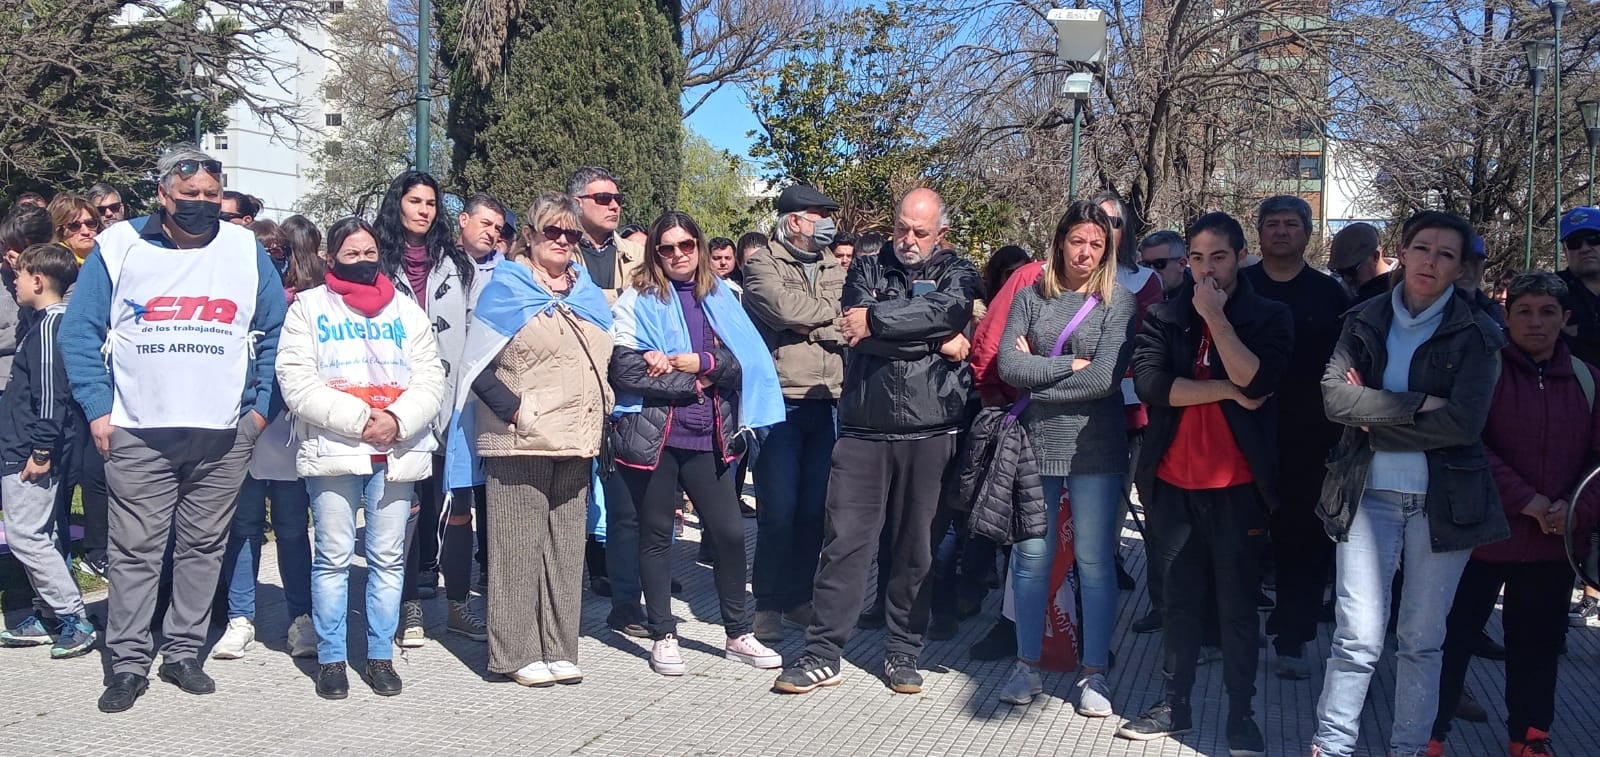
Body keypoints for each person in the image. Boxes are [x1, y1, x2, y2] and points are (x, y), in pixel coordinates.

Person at [61, 145, 287, 713]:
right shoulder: (119, 245)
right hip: (138, 429)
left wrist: (259, 410)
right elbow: (80, 333)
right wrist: (97, 409)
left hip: (222, 433)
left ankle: (184, 652)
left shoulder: (242, 248)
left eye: (212, 197)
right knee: (135, 551)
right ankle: (129, 662)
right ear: (163, 194)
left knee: (203, 547)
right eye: (190, 198)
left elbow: (277, 333)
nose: (202, 206)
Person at [1310, 210, 1508, 757]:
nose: (1431, 261)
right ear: (1404, 251)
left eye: (1446, 254)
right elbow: (1334, 399)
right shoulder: (1363, 318)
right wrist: (1420, 405)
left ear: (1460, 267)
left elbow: (1465, 424)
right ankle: (1330, 746)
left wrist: (1374, 417)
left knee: (1422, 641)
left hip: (1443, 503)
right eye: (1423, 248)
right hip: (1366, 494)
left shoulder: (1478, 333)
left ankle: (1409, 748)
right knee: (1357, 639)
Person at [774, 188, 979, 696]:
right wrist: (934, 338)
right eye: (902, 228)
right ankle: (822, 652)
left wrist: (886, 324)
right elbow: (853, 325)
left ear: (941, 234)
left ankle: (903, 651)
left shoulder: (960, 271)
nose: (908, 240)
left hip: (931, 430)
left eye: (920, 231)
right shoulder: (865, 268)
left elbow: (948, 313)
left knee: (917, 550)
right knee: (844, 543)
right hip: (865, 428)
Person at [1116, 212, 1291, 755]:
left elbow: (1257, 381)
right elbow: (1152, 386)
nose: (1207, 268)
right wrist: (1221, 389)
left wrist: (1216, 319)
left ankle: (1242, 713)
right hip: (1173, 483)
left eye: (1219, 256)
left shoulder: (1268, 314)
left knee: (1237, 608)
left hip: (1239, 487)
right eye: (1196, 257)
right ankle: (1177, 704)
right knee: (1178, 604)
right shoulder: (1165, 316)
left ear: (1241, 256)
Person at [1430, 271, 1600, 757]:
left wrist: (1573, 509)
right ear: (1506, 316)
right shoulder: (1484, 372)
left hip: (1553, 541)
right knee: (1453, 640)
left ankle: (1530, 734)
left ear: (1566, 320)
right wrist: (1527, 501)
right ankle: (1431, 732)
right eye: (1523, 311)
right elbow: (1468, 444)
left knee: (1538, 645)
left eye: (1548, 312)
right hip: (1481, 535)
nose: (1535, 321)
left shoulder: (1588, 382)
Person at [608, 210, 785, 676]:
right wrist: (693, 384)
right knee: (656, 536)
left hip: (710, 436)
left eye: (686, 245)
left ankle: (737, 633)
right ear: (655, 254)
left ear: (700, 248)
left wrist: (698, 361)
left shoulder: (726, 296)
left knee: (728, 533)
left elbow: (742, 362)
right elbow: (624, 370)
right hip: (654, 436)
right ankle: (663, 633)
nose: (677, 255)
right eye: (667, 248)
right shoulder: (635, 300)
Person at [276, 215, 445, 700]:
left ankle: (379, 656)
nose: (363, 262)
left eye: (370, 254)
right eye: (351, 255)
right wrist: (360, 419)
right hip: (337, 448)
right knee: (331, 558)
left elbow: (432, 377)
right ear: (331, 259)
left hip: (396, 450)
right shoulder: (307, 308)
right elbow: (296, 380)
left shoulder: (406, 310)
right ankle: (331, 659)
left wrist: (396, 419)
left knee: (388, 560)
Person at [452, 193, 614, 686]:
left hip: (577, 434)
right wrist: (515, 409)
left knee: (566, 547)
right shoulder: (505, 288)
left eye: (571, 235)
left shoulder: (586, 291)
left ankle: (559, 646)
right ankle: (514, 652)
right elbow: (474, 365)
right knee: (516, 546)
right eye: (553, 233)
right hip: (520, 436)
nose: (563, 242)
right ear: (531, 236)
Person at [995, 201, 1136, 713]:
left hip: (1094, 446)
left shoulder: (1117, 302)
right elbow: (1009, 366)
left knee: (1096, 561)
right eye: (1078, 240)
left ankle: (1094, 673)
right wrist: (1066, 365)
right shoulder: (1032, 295)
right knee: (1030, 558)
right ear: (1060, 242)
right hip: (1036, 443)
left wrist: (1040, 371)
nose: (1087, 251)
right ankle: (1026, 665)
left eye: (1097, 244)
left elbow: (1103, 380)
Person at [1239, 195, 1351, 680]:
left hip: (1311, 432)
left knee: (1303, 539)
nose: (1281, 232)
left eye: (1291, 224)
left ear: (1308, 233)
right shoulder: (1238, 286)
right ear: (1259, 233)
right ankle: (1226, 630)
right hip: (1243, 427)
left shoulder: (1330, 295)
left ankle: (1293, 635)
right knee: (1236, 535)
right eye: (1272, 224)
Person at [211, 216, 325, 660]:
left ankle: (301, 618)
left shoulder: (294, 302)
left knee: (294, 529)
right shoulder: (227, 296)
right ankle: (241, 617)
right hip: (239, 427)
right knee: (243, 527)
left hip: (281, 429)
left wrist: (263, 411)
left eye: (275, 251)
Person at [373, 171, 477, 646]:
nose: (423, 210)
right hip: (396, 403)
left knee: (454, 505)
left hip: (451, 401)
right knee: (407, 506)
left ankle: (458, 604)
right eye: (414, 201)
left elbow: (474, 325)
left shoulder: (455, 261)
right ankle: (410, 604)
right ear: (398, 204)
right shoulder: (377, 258)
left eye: (431, 203)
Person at [740, 184, 846, 643]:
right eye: (818, 213)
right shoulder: (762, 261)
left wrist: (811, 324)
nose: (827, 221)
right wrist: (818, 319)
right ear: (794, 221)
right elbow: (782, 308)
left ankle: (798, 597)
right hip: (777, 404)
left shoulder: (835, 266)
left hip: (826, 401)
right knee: (777, 512)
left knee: (812, 512)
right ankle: (766, 604)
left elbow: (850, 318)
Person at [0, 244, 94, 658]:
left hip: (27, 450)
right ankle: (45, 615)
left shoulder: (49, 327)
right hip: (24, 445)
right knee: (43, 532)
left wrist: (40, 449)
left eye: (19, 276)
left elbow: (50, 394)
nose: (15, 283)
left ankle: (73, 617)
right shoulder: (42, 324)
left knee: (26, 535)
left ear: (38, 280)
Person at [568, 167, 650, 634]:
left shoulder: (637, 256)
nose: (614, 204)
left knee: (626, 503)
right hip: (574, 390)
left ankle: (626, 597)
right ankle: (562, 587)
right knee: (567, 495)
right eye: (602, 197)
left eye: (617, 196)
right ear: (577, 201)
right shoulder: (556, 251)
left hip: (626, 392)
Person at [434, 192, 508, 640]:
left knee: (499, 509)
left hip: (500, 404)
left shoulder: (509, 273)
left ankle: (501, 602)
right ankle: (455, 604)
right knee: (456, 508)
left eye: (498, 228)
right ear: (462, 220)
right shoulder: (441, 268)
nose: (491, 233)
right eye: (485, 223)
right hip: (454, 406)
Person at [1558, 206, 1600, 624]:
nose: (1585, 249)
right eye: (1575, 243)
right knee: (1572, 510)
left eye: (1594, 240)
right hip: (1569, 414)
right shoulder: (1555, 292)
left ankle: (1592, 588)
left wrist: (1581, 335)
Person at [1328, 222, 1394, 303]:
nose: (1347, 279)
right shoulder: (1337, 291)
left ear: (1375, 257)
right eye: (1340, 272)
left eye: (1351, 270)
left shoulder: (1402, 286)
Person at [48, 194, 99, 266]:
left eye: (90, 223)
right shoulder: (54, 266)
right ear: (60, 231)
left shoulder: (108, 259)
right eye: (75, 226)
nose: (86, 232)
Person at [1137, 230, 1188, 298]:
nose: (1152, 271)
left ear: (1181, 264)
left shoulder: (1200, 298)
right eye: (1146, 265)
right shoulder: (1137, 294)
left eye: (1159, 263)